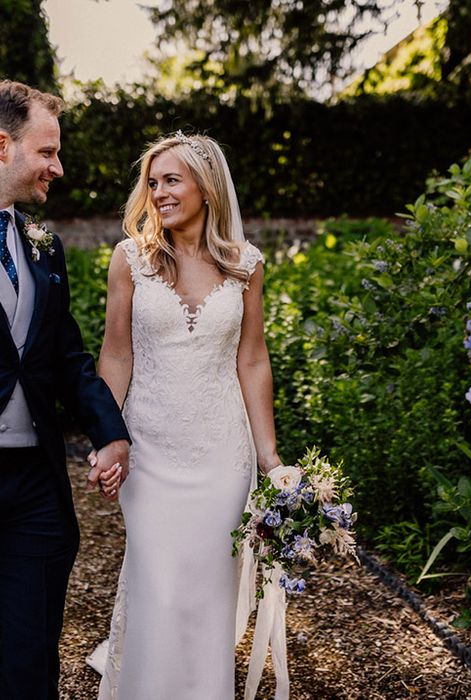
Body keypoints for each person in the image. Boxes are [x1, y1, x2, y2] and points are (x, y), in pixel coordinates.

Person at [93, 131, 281, 699]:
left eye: (171, 180)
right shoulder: (130, 259)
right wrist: (107, 434)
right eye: (152, 183)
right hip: (150, 449)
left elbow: (252, 360)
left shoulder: (246, 265)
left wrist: (270, 458)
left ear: (206, 185)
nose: (158, 193)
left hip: (223, 454)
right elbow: (116, 353)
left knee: (205, 594)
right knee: (159, 586)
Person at [0, 80, 130, 699]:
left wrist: (110, 434)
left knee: (28, 657)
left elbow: (68, 354)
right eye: (48, 151)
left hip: (34, 482)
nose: (60, 166)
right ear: (3, 146)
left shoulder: (43, 245)